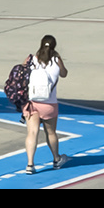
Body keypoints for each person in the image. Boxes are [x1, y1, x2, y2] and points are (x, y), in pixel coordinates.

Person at [23, 34, 67, 174]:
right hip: (49, 104)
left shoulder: (32, 59)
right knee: (51, 132)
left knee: (32, 133)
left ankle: (30, 164)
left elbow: (22, 72)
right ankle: (56, 159)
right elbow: (64, 74)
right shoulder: (56, 60)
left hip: (32, 103)